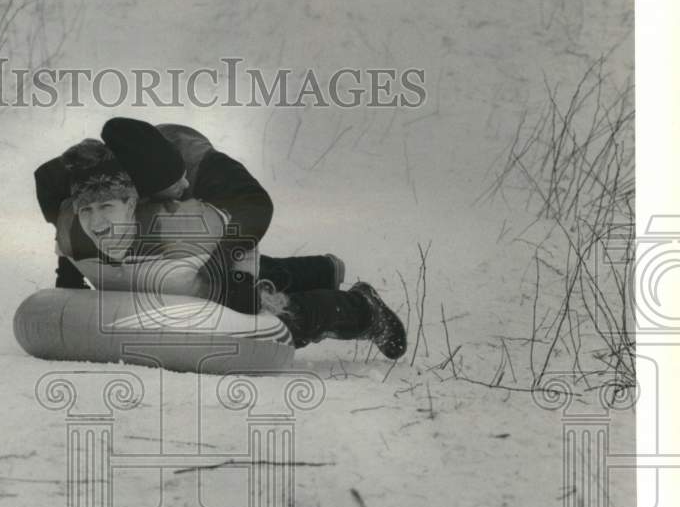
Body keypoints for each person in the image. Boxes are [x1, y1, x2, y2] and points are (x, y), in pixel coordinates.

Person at [51, 139, 407, 359]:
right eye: (87, 210)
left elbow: (241, 233)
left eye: (107, 208)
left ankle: (362, 309)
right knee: (188, 277)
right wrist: (69, 284)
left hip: (218, 193)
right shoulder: (74, 226)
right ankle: (320, 270)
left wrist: (238, 287)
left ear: (131, 204)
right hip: (177, 219)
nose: (96, 223)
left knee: (249, 304)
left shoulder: (179, 222)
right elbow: (69, 244)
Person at [34, 117, 345, 295]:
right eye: (175, 184)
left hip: (217, 194)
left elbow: (257, 207)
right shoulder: (100, 170)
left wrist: (224, 264)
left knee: (214, 265)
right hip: (145, 186)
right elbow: (62, 203)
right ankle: (323, 269)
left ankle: (320, 271)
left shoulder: (206, 169)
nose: (182, 185)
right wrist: (71, 267)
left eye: (183, 180)